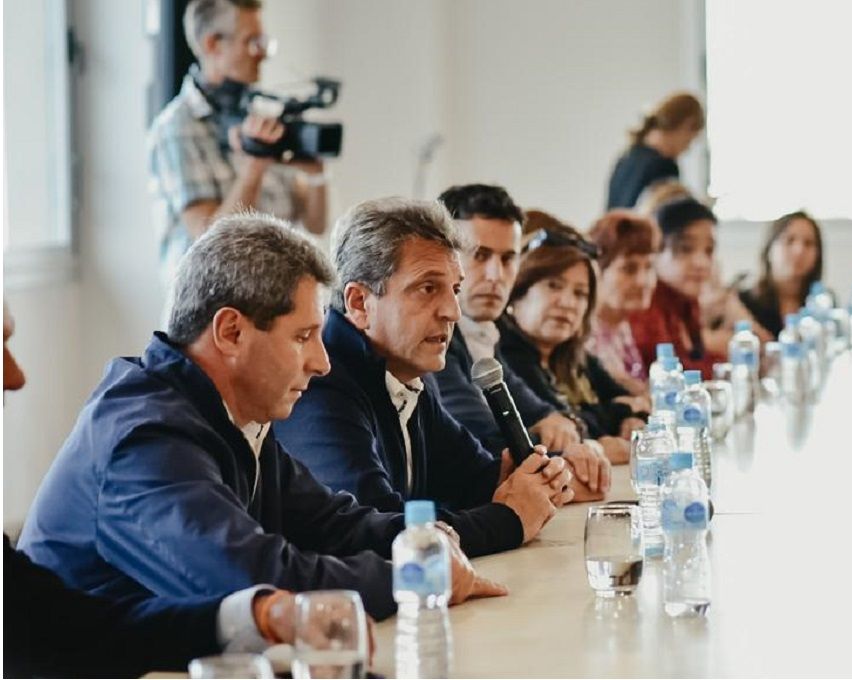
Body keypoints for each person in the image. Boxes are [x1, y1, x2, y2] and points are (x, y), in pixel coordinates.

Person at [17, 214, 506, 621]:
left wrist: (422, 541)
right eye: (302, 337)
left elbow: (330, 523)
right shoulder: (145, 439)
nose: (322, 362)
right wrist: (417, 576)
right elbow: (252, 579)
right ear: (231, 332)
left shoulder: (227, 415)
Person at [274, 197, 602, 544]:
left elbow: (473, 477)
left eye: (455, 289)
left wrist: (536, 477)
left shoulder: (409, 374)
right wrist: (508, 519)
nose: (452, 311)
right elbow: (375, 531)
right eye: (428, 288)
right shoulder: (320, 384)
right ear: (359, 303)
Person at [3, 304, 302, 677]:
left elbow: (68, 628)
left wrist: (256, 616)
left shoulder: (243, 425)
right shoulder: (146, 437)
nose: (15, 377)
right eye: (303, 336)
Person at [148, 0, 328, 301]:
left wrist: (316, 175)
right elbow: (209, 240)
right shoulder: (177, 128)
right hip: (213, 308)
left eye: (263, 42)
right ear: (213, 44)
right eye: (251, 42)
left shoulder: (258, 118)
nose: (261, 53)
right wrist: (254, 169)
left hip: (273, 301)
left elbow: (316, 223)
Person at [428, 184, 588, 457]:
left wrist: (565, 425)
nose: (496, 275)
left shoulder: (486, 332)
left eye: (508, 259)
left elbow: (545, 413)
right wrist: (563, 452)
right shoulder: (434, 335)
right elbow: (484, 441)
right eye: (480, 255)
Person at [499, 212, 648, 465]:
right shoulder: (507, 354)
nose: (567, 303)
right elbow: (563, 427)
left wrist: (633, 418)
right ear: (517, 293)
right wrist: (616, 414)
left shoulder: (574, 354)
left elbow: (634, 401)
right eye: (553, 286)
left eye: (580, 294)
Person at [628, 197, 727, 376]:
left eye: (709, 250)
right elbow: (673, 376)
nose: (701, 263)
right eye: (686, 249)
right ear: (655, 252)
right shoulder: (645, 305)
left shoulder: (686, 302)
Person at [587, 210, 661, 395]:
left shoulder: (619, 325)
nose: (643, 281)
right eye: (629, 269)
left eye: (649, 267)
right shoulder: (586, 338)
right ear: (596, 271)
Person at [606, 92, 705, 209]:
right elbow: (669, 216)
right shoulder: (664, 167)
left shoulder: (626, 158)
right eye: (690, 141)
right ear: (686, 125)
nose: (687, 149)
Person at [739, 210, 826, 338]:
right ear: (769, 250)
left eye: (808, 243)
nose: (799, 251)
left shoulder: (822, 301)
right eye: (789, 241)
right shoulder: (745, 300)